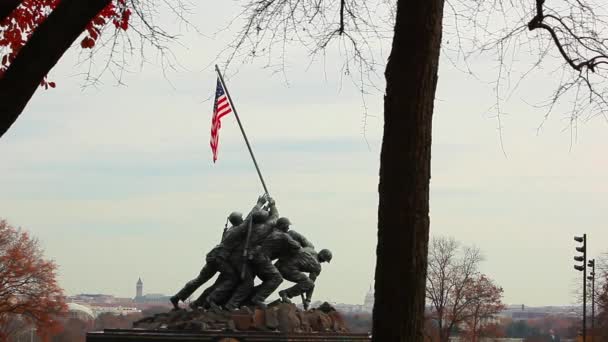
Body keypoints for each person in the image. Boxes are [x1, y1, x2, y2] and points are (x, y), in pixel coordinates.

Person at [169, 195, 266, 310]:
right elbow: (250, 218)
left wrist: (262, 209)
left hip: (213, 255)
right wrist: (259, 204)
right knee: (232, 278)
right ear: (239, 220)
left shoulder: (230, 229)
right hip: (220, 258)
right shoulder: (238, 229)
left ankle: (177, 297)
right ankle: (211, 300)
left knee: (200, 279)